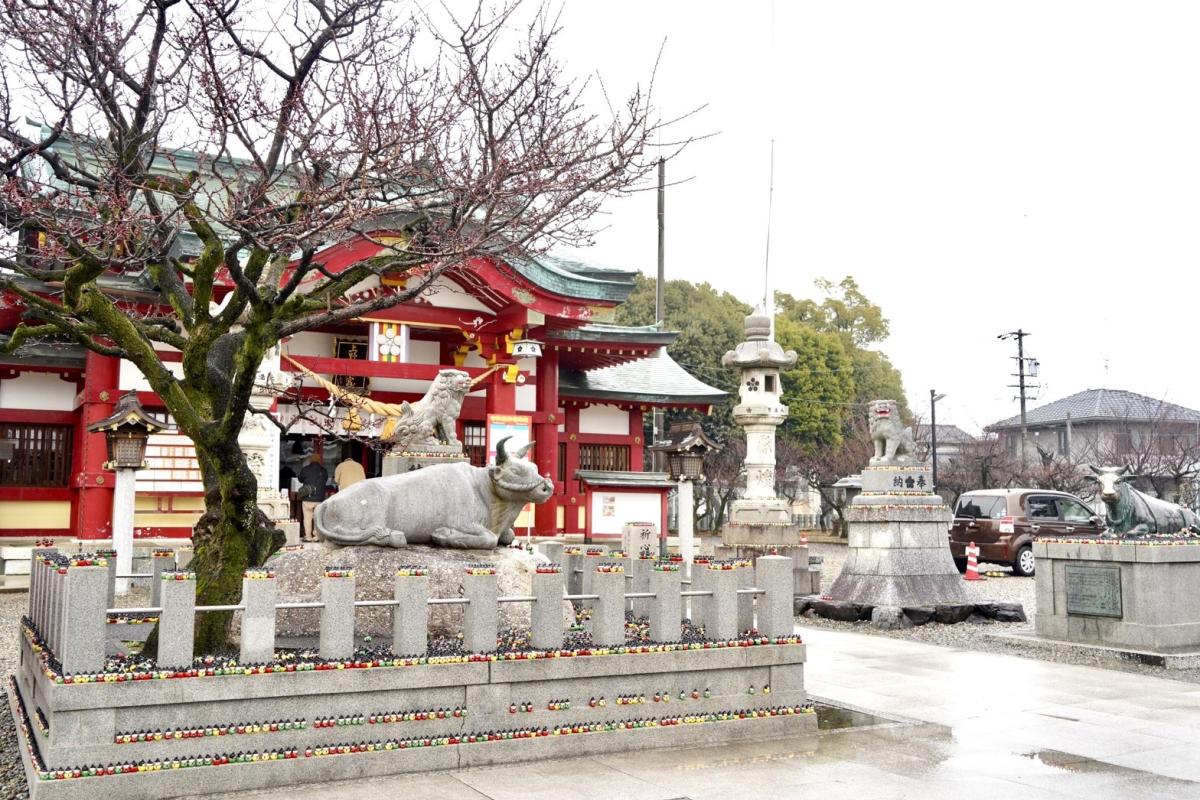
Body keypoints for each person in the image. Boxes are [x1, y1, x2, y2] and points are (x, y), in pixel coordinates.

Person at [297, 453, 329, 542]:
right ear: (320, 460)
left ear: (310, 460)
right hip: (319, 499)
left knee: (307, 518)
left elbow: (300, 479)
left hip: (307, 498)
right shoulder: (323, 471)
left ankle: (308, 536)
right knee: (317, 518)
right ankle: (316, 536)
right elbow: (325, 480)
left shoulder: (305, 469)